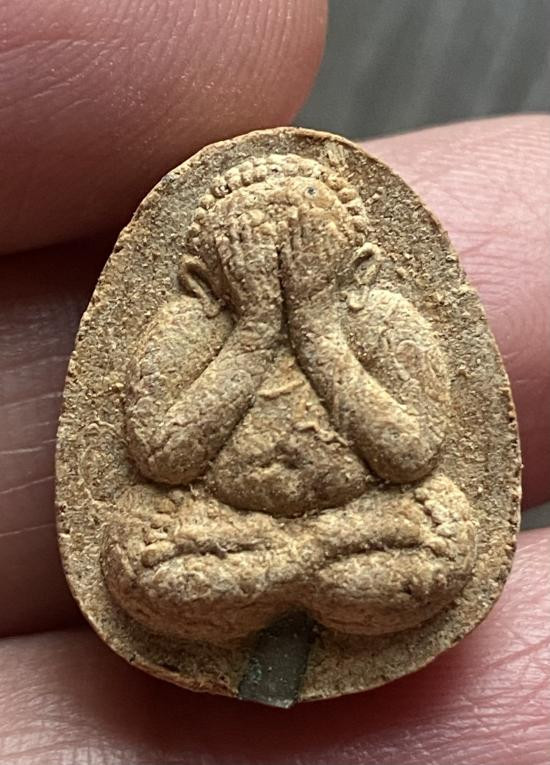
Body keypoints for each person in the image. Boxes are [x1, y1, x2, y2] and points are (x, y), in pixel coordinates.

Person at [0, 1, 548, 763]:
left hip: (359, 523)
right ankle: (298, 576)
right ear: (204, 280)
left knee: (447, 531)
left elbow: (413, 453)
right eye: (258, 277)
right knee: (133, 548)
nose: (283, 292)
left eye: (305, 274)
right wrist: (254, 331)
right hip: (224, 524)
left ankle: (284, 576)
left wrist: (320, 333)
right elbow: (161, 457)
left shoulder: (381, 317)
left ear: (359, 269)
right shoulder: (191, 323)